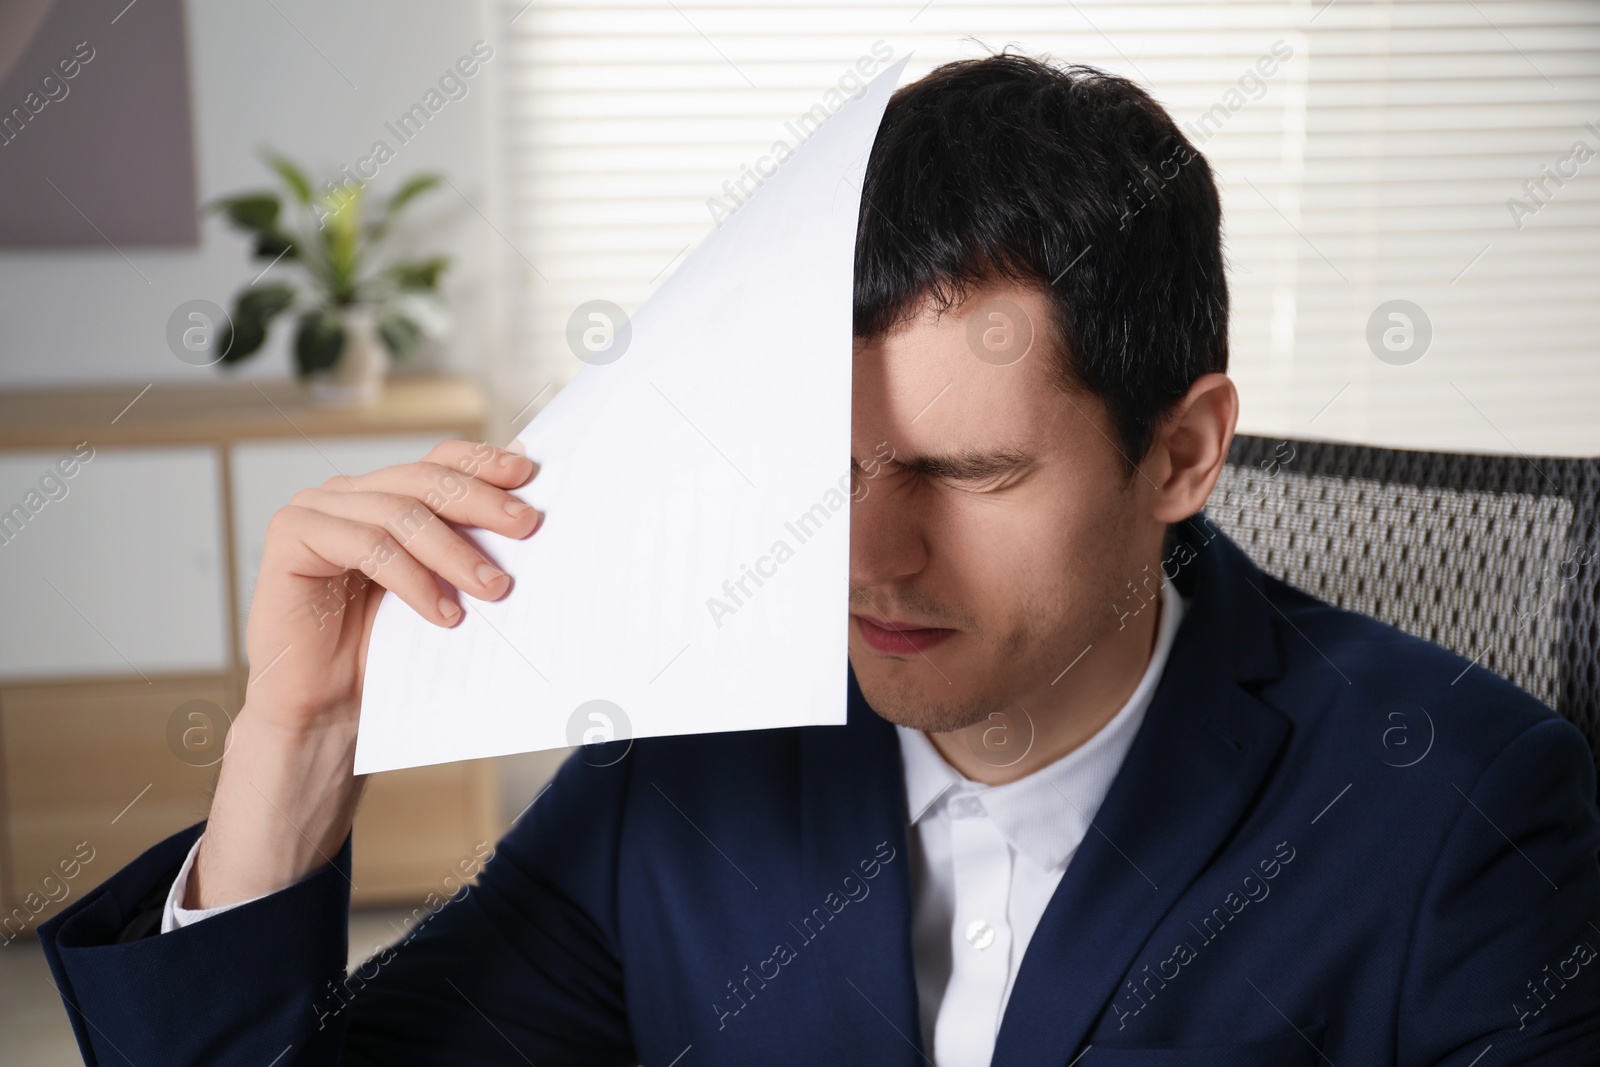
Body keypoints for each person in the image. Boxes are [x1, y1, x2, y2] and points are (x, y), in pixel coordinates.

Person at [40, 54, 1600, 1067]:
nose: (865, 553)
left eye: (966, 471)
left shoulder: (1468, 810)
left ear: (1183, 452)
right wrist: (295, 742)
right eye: (826, 467)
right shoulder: (687, 765)